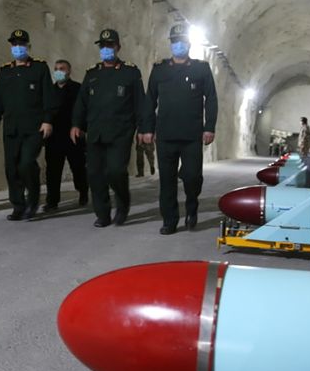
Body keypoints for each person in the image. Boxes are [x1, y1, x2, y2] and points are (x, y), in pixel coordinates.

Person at [71, 28, 151, 228]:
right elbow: (81, 102)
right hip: (95, 132)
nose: (106, 49)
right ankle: (103, 214)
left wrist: (144, 129)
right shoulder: (92, 74)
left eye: (110, 46)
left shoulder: (130, 73)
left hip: (120, 132)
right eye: (103, 46)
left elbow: (140, 103)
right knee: (95, 175)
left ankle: (122, 205)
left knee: (115, 171)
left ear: (118, 47)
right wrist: (76, 125)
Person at [145, 24, 218, 235]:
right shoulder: (159, 69)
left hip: (191, 135)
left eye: (182, 41)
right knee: (166, 181)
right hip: (166, 134)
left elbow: (211, 98)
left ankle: (192, 208)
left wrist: (209, 127)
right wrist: (147, 128)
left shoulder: (201, 69)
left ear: (189, 44)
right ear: (171, 44)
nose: (179, 45)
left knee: (192, 177)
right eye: (175, 41)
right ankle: (169, 220)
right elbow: (149, 100)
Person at [0, 29, 57, 221]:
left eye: (21, 43)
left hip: (34, 128)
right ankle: (18, 205)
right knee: (12, 168)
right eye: (14, 44)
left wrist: (47, 120)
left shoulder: (39, 68)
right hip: (12, 128)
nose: (18, 47)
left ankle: (33, 201)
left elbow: (48, 97)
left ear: (28, 46)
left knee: (27, 162)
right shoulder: (5, 71)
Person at [43, 59, 89, 212]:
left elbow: (85, 110)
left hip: (73, 136)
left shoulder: (78, 89)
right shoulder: (49, 90)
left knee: (78, 167)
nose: (58, 71)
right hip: (54, 137)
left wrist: (82, 129)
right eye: (56, 68)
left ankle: (83, 191)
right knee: (53, 170)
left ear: (69, 71)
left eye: (62, 68)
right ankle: (52, 201)